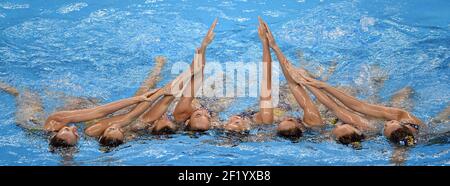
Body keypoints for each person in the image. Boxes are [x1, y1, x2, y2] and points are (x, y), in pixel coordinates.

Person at [260, 18, 425, 146]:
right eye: (391, 123)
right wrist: (315, 84)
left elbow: (337, 108)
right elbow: (357, 107)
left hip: (332, 110)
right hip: (357, 111)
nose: (387, 122)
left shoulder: (317, 125)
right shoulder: (403, 119)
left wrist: (312, 83)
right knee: (403, 92)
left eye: (385, 127)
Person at [87, 19, 218, 146]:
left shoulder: (137, 125)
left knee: (142, 96)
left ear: (152, 126)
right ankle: (159, 68)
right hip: (139, 115)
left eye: (111, 129)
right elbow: (171, 94)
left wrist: (194, 64)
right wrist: (202, 51)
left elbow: (164, 97)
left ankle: (158, 67)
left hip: (128, 114)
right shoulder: (181, 118)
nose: (164, 116)